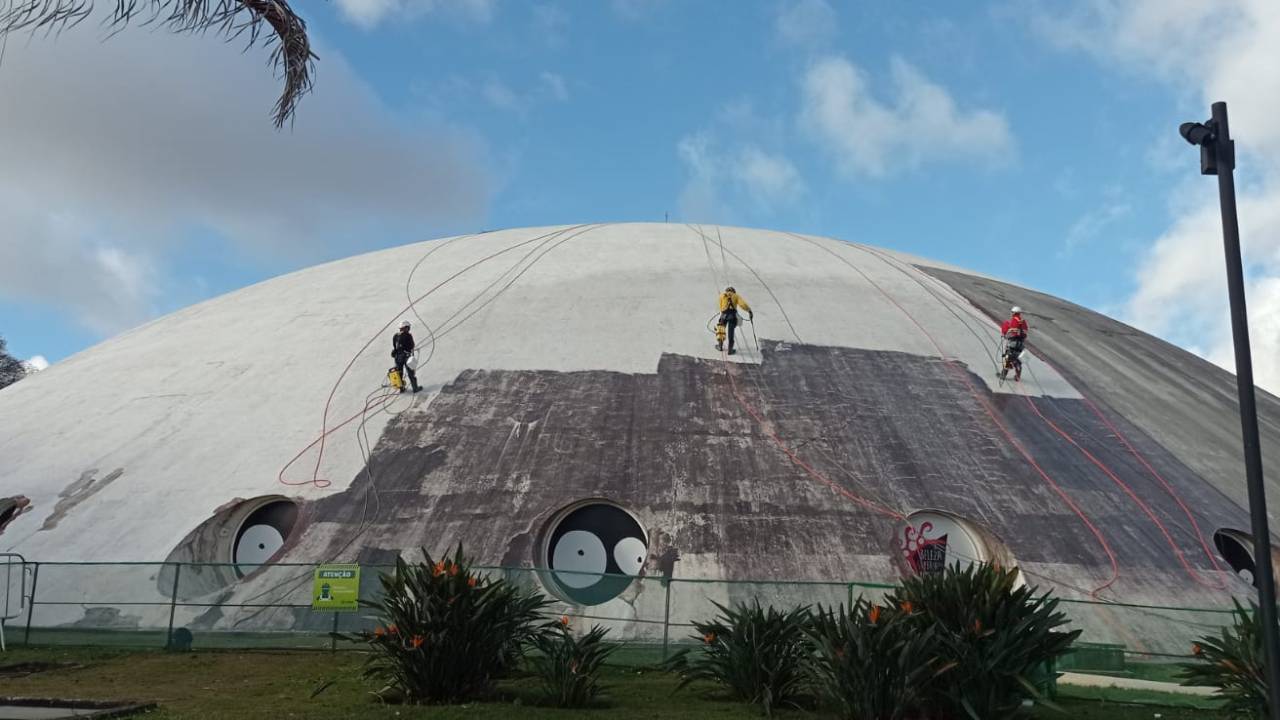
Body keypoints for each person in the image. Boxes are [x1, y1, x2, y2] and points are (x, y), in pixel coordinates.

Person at [715, 286, 753, 355]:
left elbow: (720, 306)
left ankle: (720, 346)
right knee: (731, 333)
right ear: (733, 291)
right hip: (732, 316)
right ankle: (730, 350)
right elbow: (743, 304)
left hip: (723, 316)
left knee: (721, 330)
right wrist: (749, 311)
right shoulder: (736, 296)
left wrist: (722, 311)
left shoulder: (722, 296)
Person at [392, 321, 422, 393]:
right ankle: (415, 388)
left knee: (399, 372)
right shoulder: (408, 335)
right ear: (406, 328)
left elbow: (394, 346)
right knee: (410, 373)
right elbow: (411, 346)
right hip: (406, 356)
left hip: (398, 357)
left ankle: (401, 388)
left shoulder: (395, 335)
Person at [999, 306, 1029, 381]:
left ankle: (1003, 375)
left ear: (1013, 313)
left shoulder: (1012, 320)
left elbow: (1008, 331)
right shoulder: (1023, 321)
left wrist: (1004, 335)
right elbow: (1025, 333)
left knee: (1008, 358)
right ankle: (1018, 376)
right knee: (1018, 360)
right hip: (1021, 344)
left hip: (1013, 343)